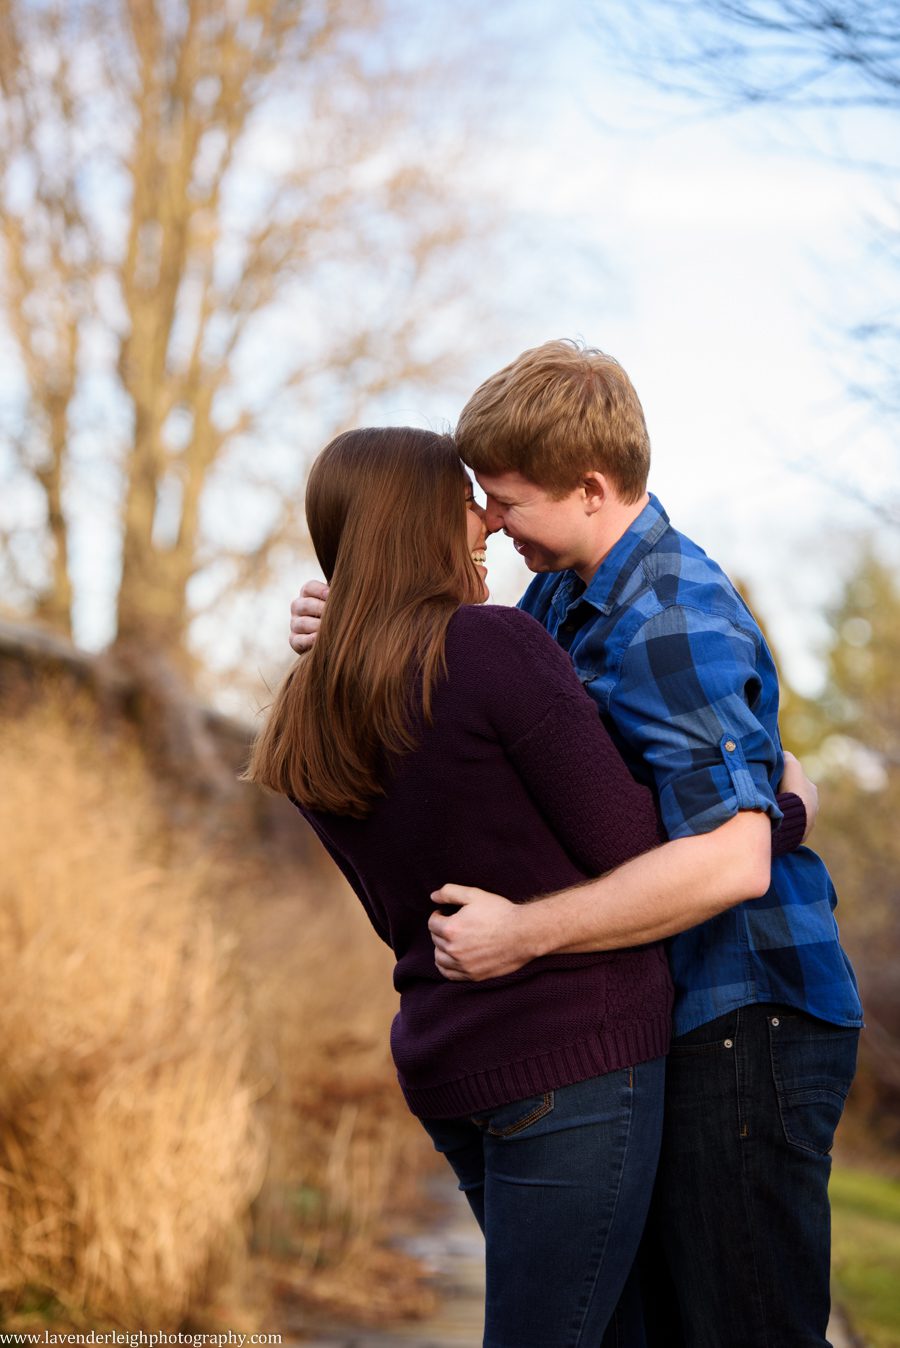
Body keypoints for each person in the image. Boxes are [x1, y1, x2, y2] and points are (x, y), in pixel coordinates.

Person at [290, 343, 860, 1348]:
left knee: (748, 1328)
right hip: (671, 1010)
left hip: (750, 1009)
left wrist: (526, 935)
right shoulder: (557, 599)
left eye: (507, 501)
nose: (492, 524)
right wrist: (361, 620)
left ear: (591, 488)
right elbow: (480, 719)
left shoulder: (672, 612)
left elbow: (733, 860)